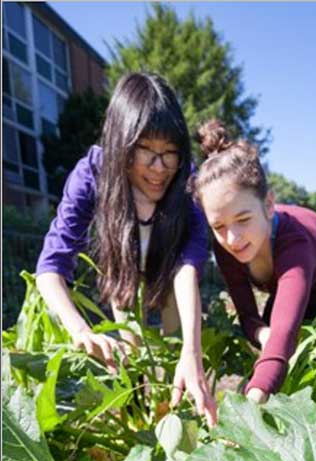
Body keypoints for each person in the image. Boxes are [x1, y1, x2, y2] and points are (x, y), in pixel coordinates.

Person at [36, 72, 216, 426]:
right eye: (145, 152)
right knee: (128, 353)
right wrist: (80, 331)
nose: (159, 168)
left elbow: (188, 267)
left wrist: (191, 351)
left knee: (176, 354)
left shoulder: (188, 181)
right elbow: (50, 268)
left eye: (169, 154)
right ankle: (137, 422)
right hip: (126, 269)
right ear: (121, 145)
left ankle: (178, 424)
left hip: (172, 272)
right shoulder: (92, 173)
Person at [190, 120, 316, 404]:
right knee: (273, 348)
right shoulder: (225, 245)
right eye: (219, 226)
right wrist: (264, 334)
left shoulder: (295, 243)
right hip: (282, 287)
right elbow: (248, 316)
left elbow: (286, 333)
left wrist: (250, 406)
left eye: (243, 219)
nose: (233, 238)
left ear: (268, 204)